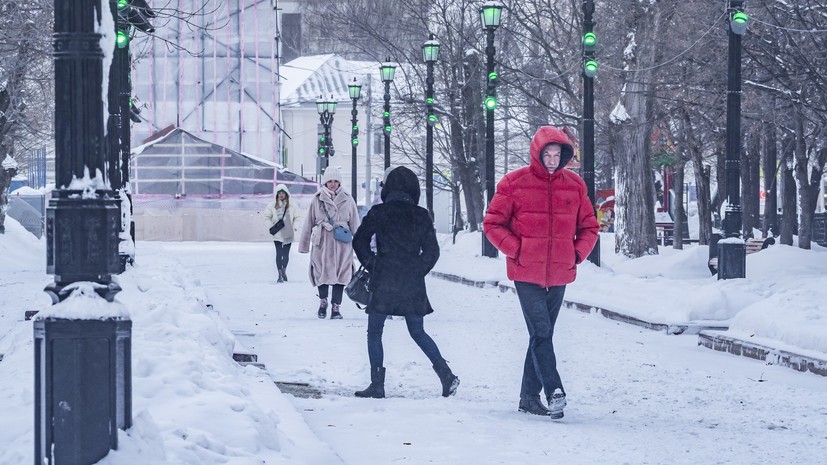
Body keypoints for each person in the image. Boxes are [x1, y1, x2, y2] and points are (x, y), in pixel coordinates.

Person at [483, 126, 599, 419]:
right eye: (546, 153)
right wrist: (518, 250)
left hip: (560, 271)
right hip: (526, 272)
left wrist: (575, 254)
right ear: (537, 153)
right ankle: (554, 390)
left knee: (540, 335)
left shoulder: (574, 185)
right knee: (542, 332)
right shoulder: (513, 183)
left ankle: (528, 397)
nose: (551, 159)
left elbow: (589, 227)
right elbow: (492, 223)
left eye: (556, 154)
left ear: (564, 155)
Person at [351, 166, 459, 399]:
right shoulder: (421, 215)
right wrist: (417, 270)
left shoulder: (379, 212)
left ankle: (377, 384)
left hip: (384, 279)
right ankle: (446, 375)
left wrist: (373, 264)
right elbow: (432, 251)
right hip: (412, 282)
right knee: (418, 331)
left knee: (374, 332)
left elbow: (359, 241)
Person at [298, 166, 360, 320]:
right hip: (322, 241)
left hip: (342, 243)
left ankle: (336, 307)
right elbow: (308, 222)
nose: (333, 184)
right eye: (330, 181)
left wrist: (360, 246)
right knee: (320, 271)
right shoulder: (317, 199)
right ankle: (323, 302)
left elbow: (355, 224)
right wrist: (304, 245)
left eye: (336, 181)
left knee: (342, 273)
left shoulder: (348, 198)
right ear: (325, 182)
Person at [263, 183, 301, 283]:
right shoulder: (272, 205)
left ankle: (284, 271)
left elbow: (297, 217)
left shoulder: (292, 205)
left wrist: (295, 227)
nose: (281, 195)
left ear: (286, 194)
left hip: (288, 233)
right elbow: (266, 217)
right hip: (278, 233)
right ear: (276, 194)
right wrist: (271, 226)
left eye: (283, 193)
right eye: (279, 193)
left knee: (286, 254)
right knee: (279, 254)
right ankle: (279, 274)